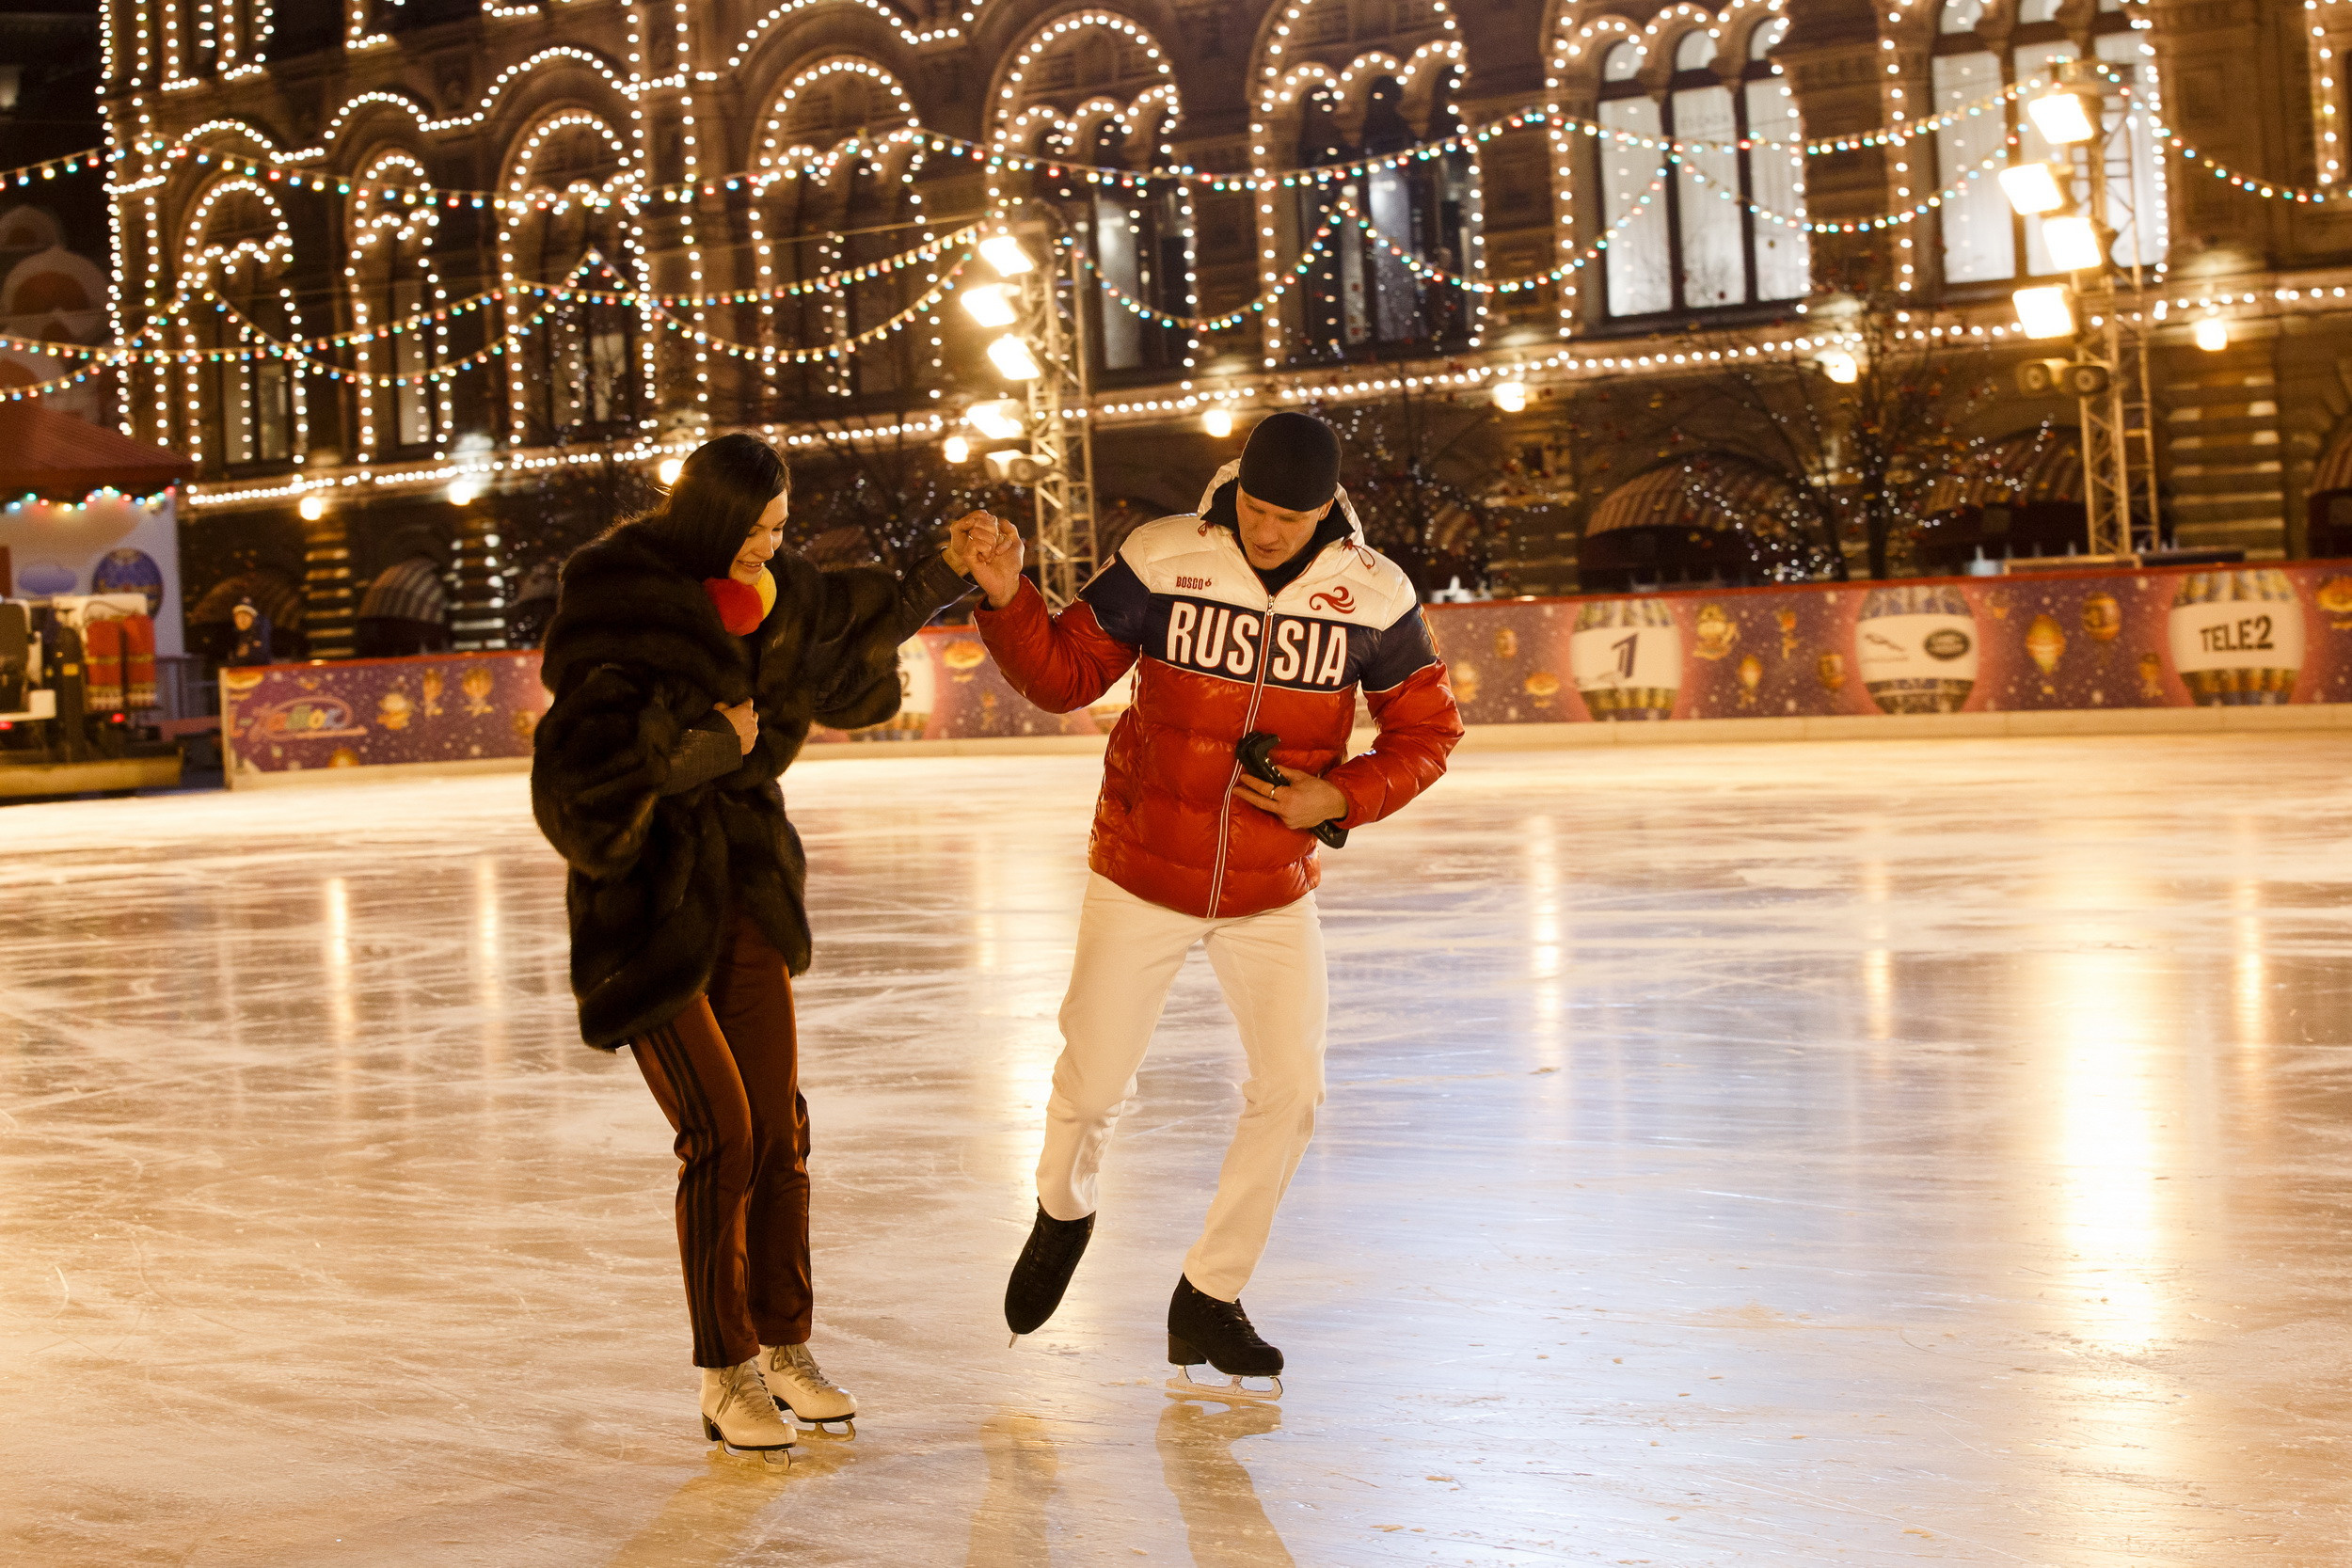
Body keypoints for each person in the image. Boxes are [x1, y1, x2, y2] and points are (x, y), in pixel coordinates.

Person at [531, 434, 1006, 1461]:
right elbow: (573, 784)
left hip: (742, 886)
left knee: (782, 1131)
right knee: (724, 1132)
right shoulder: (618, 594)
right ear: (704, 518)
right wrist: (701, 747)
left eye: (780, 528)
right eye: (750, 530)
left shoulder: (782, 592)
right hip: (645, 907)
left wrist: (943, 569)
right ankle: (725, 1368)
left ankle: (788, 1344)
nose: (766, 547)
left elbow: (844, 644)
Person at [967, 410, 1463, 1391]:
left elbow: (1428, 732)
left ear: (1327, 509)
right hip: (1142, 867)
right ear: (1234, 485)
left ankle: (1209, 1293)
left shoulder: (1372, 592)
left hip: (1272, 884)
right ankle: (1064, 1208)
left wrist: (1343, 796)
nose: (1268, 530)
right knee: (1089, 1086)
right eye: (1255, 507)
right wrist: (1005, 596)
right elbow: (1065, 676)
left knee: (1292, 1090)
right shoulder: (1161, 557)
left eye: (1290, 515)